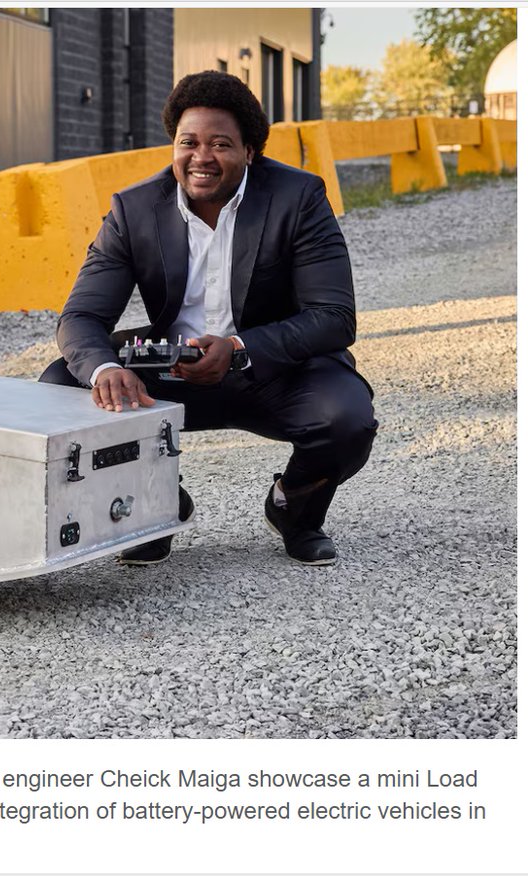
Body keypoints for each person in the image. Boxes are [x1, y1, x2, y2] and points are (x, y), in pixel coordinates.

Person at [41, 71, 377, 566]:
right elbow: (82, 316)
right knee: (62, 385)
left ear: (250, 151)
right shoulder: (133, 210)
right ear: (173, 146)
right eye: (188, 142)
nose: (201, 157)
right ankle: (155, 510)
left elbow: (334, 317)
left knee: (346, 417)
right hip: (170, 373)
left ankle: (295, 511)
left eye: (221, 144)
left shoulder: (299, 198)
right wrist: (106, 370)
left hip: (273, 369)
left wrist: (241, 349)